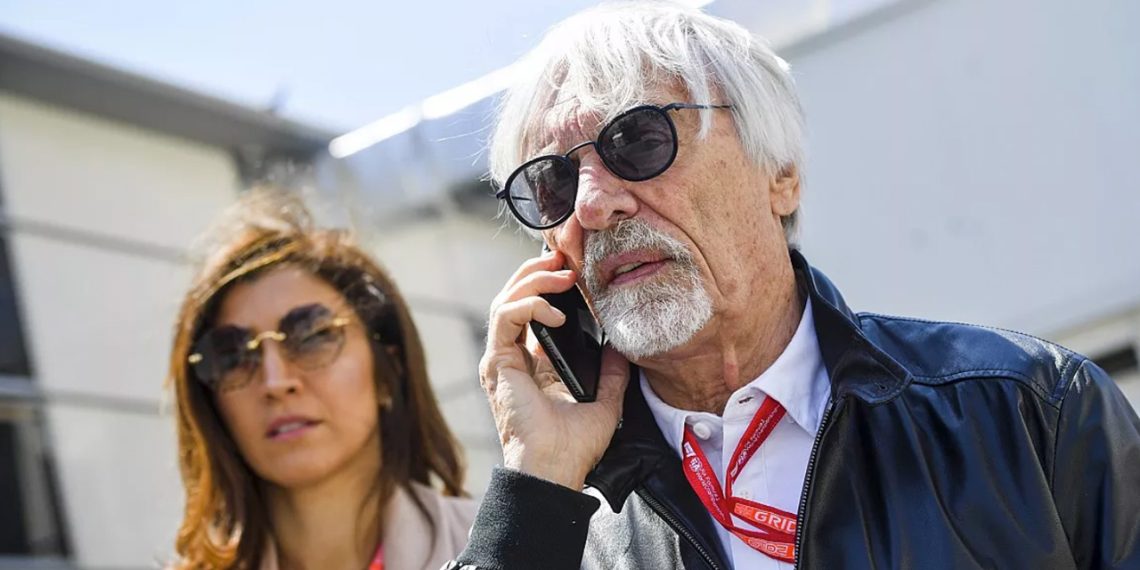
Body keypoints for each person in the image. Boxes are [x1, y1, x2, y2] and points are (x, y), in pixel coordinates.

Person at [448, 2, 1140, 569]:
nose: (594, 205)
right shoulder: (564, 528)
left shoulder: (1029, 412)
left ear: (780, 174)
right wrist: (533, 494)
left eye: (638, 140)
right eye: (554, 183)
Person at [167, 189, 475, 570]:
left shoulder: (513, 550)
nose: (275, 382)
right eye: (231, 356)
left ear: (387, 371)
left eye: (312, 336)